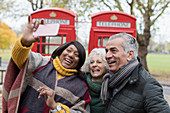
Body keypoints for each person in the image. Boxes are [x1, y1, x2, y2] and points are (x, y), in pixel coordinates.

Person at [2, 17, 90, 113]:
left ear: (80, 61)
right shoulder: (40, 63)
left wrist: (55, 106)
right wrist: (24, 43)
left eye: (77, 55)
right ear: (60, 51)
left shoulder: (81, 86)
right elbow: (18, 59)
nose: (71, 55)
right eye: (68, 50)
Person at [100, 33, 170, 113]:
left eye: (113, 51)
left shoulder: (148, 85)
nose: (107, 56)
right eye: (107, 51)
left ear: (129, 55)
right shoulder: (110, 79)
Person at [81, 48, 109, 113]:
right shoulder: (81, 83)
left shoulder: (113, 85)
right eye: (91, 62)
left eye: (99, 62)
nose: (94, 65)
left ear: (106, 65)